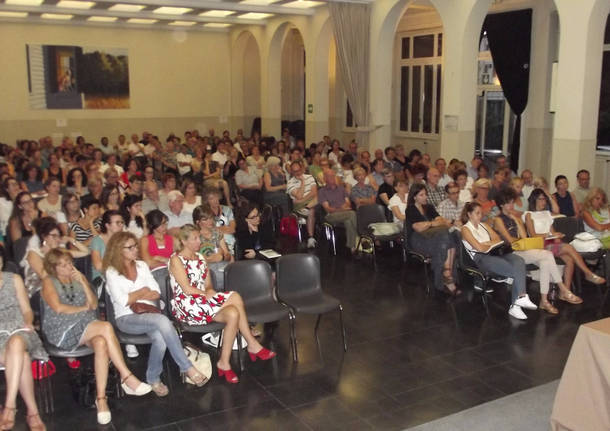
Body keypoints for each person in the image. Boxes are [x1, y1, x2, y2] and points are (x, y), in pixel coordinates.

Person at [42, 248, 151, 425]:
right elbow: (58, 308)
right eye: (62, 265)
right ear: (53, 268)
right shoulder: (49, 281)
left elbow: (93, 305)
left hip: (85, 325)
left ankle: (101, 399)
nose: (67, 267)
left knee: (101, 343)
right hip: (61, 329)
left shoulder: (78, 278)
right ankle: (126, 376)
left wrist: (83, 281)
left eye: (69, 262)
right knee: (106, 327)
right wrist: (82, 309)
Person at [169, 224, 276, 384]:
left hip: (203, 302)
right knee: (234, 296)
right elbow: (186, 288)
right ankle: (252, 343)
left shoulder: (200, 258)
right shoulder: (176, 259)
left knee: (233, 312)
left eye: (199, 237)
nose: (199, 241)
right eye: (195, 238)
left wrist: (210, 291)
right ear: (184, 241)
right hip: (187, 305)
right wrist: (208, 294)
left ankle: (223, 362)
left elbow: (208, 285)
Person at [104, 232, 206, 397]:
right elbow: (122, 301)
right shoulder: (111, 272)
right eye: (130, 247)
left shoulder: (142, 266)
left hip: (149, 314)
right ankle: (187, 368)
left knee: (160, 338)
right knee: (163, 321)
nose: (135, 249)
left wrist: (135, 295)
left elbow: (156, 292)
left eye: (135, 246)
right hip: (126, 318)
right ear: (118, 250)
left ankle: (153, 378)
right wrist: (143, 291)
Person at [494, 189, 581, 314]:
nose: (511, 206)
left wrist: (516, 221)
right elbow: (509, 240)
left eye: (512, 202)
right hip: (509, 252)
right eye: (508, 203)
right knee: (547, 254)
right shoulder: (498, 219)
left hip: (522, 249)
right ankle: (562, 289)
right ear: (501, 205)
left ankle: (544, 301)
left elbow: (524, 238)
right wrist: (520, 237)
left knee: (546, 260)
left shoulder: (515, 218)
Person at [461, 201, 538, 320]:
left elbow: (498, 239)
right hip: (481, 258)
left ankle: (518, 301)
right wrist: (488, 244)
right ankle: (518, 302)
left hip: (495, 252)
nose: (480, 216)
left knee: (519, 261)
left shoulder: (484, 225)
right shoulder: (465, 229)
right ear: (469, 214)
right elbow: (479, 248)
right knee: (514, 270)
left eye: (481, 213)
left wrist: (487, 244)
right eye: (477, 213)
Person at [0, 250, 48, 431]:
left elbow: (27, 310)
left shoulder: (14, 279)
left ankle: (9, 407)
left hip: (20, 328)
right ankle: (32, 412)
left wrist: (28, 322)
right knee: (23, 358)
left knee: (17, 342)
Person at [524, 188, 604, 288]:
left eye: (544, 199)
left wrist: (556, 235)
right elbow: (533, 235)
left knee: (569, 260)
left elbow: (552, 231)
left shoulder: (546, 214)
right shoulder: (529, 215)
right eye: (540, 199)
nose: (543, 201)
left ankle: (566, 290)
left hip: (549, 243)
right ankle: (588, 273)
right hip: (538, 244)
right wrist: (550, 236)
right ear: (534, 200)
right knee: (568, 247)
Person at [405, 183, 458, 295]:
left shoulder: (429, 207)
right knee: (445, 238)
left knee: (448, 238)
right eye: (421, 195)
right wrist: (433, 223)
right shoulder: (410, 209)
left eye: (425, 194)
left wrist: (428, 224)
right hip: (418, 240)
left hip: (434, 236)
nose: (425, 197)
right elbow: (418, 228)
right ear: (414, 197)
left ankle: (446, 274)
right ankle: (447, 277)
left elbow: (442, 221)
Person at [22, 217, 89, 300]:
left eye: (59, 236)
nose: (57, 239)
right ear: (44, 236)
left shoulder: (58, 251)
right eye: (54, 236)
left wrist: (71, 239)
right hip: (38, 289)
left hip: (60, 285)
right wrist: (48, 255)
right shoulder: (33, 253)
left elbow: (86, 252)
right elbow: (44, 276)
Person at [193, 204, 233, 290]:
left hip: (221, 265)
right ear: (197, 222)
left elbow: (227, 255)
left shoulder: (217, 232)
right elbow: (193, 259)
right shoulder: (194, 236)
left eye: (211, 218)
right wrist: (211, 259)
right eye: (205, 219)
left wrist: (224, 255)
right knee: (219, 277)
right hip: (205, 268)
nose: (210, 221)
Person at [318, 170, 358, 254]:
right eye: (330, 176)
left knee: (348, 220)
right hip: (331, 216)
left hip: (345, 214)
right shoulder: (322, 191)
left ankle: (352, 246)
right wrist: (341, 208)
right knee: (352, 214)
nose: (332, 178)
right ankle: (358, 239)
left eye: (333, 176)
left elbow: (348, 203)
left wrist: (344, 207)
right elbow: (328, 209)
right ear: (325, 179)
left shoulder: (341, 189)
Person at [286, 161, 317, 248]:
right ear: (292, 172)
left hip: (311, 202)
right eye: (295, 171)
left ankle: (307, 208)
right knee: (312, 209)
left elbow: (314, 192)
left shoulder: (310, 177)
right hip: (300, 206)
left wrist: (302, 200)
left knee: (318, 198)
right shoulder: (290, 183)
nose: (298, 173)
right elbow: (299, 196)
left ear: (302, 169)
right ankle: (311, 238)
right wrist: (303, 182)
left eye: (299, 170)